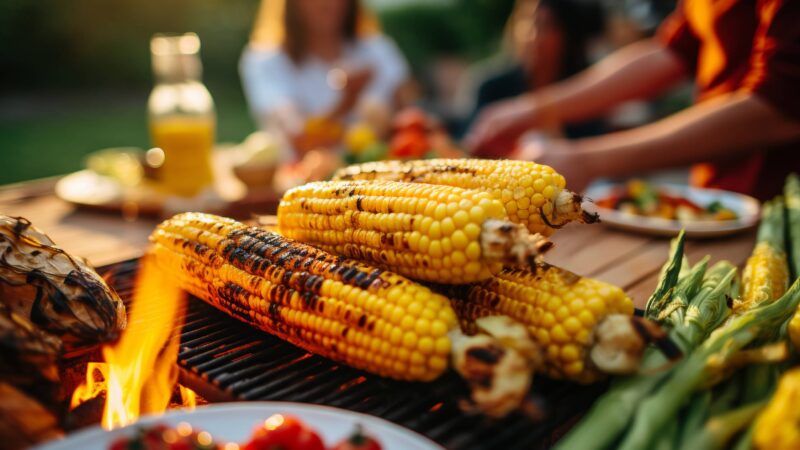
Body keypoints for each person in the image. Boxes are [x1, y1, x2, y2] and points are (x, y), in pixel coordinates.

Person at [466, 0, 800, 199]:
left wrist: (585, 161)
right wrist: (532, 109)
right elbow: (674, 50)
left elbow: (781, 105)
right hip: (724, 195)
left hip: (783, 202)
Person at [240, 0, 410, 159]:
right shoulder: (266, 61)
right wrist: (346, 103)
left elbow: (410, 116)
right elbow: (295, 135)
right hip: (304, 182)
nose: (327, 3)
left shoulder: (378, 49)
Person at [462, 0, 604, 145]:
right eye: (528, 22)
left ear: (568, 34)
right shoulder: (491, 88)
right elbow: (468, 145)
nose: (533, 36)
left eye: (547, 26)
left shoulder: (586, 89)